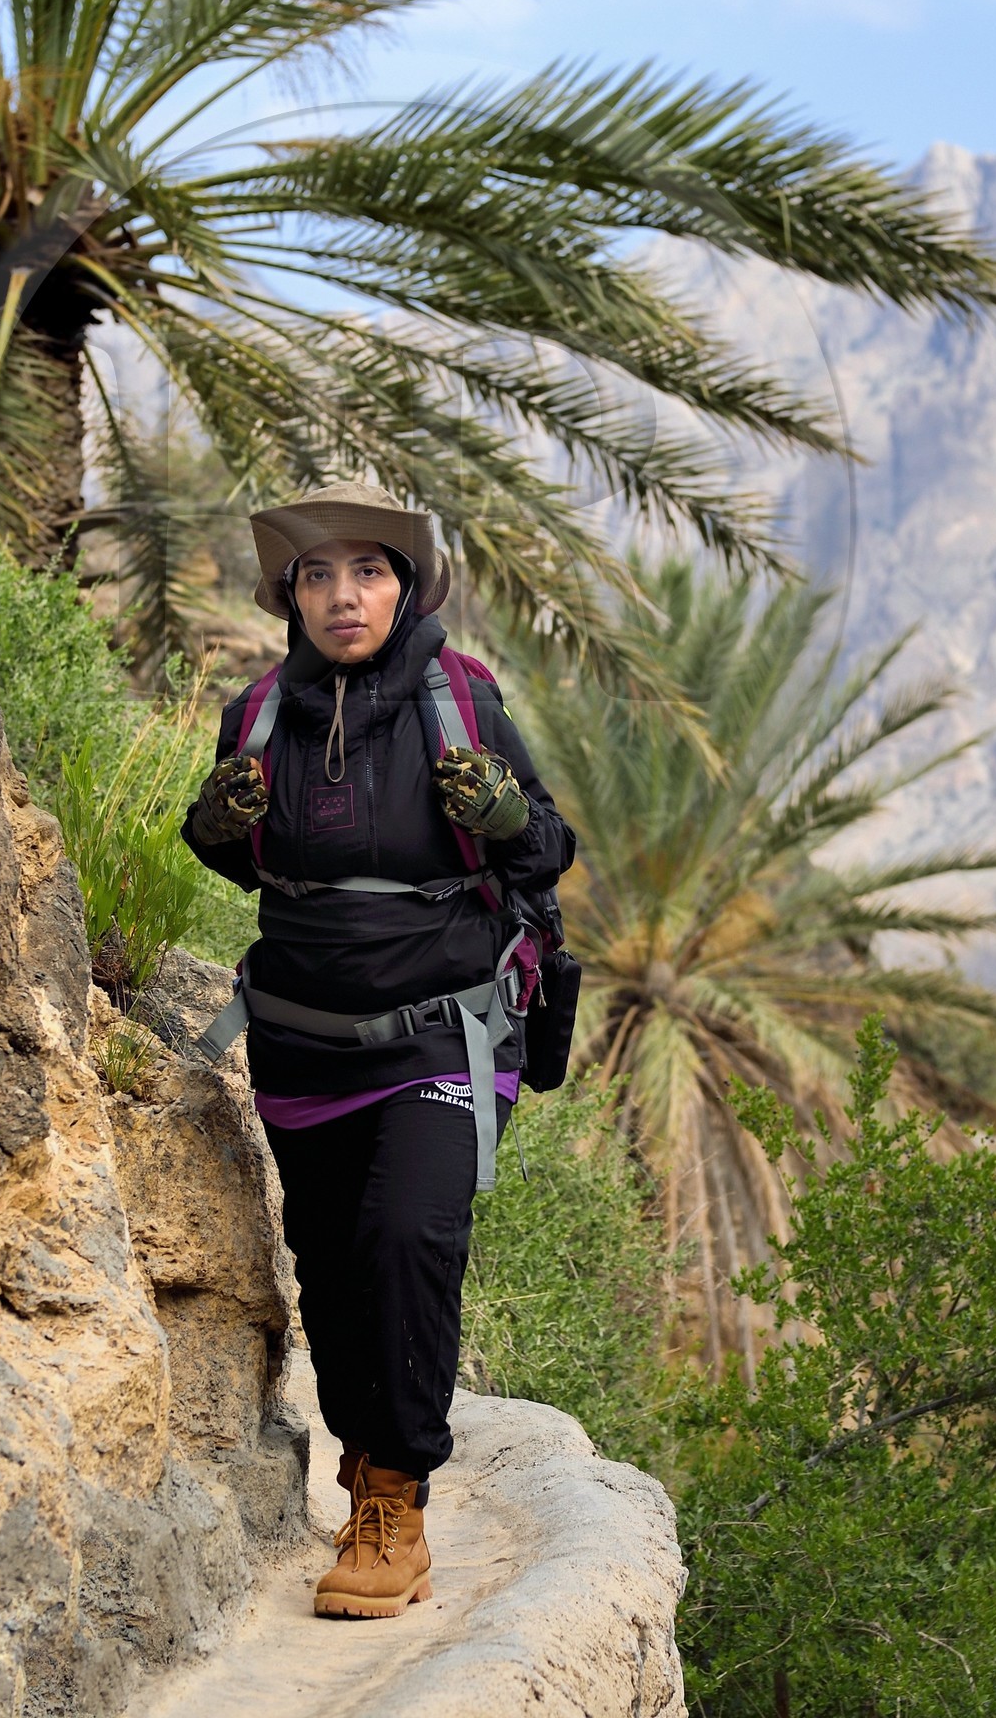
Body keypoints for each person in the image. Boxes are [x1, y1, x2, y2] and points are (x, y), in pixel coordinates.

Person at [181, 483, 574, 1620]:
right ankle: (362, 1456)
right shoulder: (257, 711)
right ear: (290, 596)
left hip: (443, 1029)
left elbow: (548, 849)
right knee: (333, 1264)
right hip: (303, 1042)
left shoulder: (463, 700)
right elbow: (247, 868)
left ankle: (393, 1495)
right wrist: (212, 828)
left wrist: (504, 814)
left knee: (409, 1235)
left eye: (369, 572)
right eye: (318, 576)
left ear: (408, 587)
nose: (343, 595)